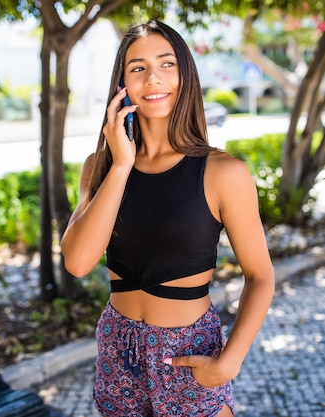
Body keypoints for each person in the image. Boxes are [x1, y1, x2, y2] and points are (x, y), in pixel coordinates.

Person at [60, 20, 274, 417]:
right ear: (121, 84)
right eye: (137, 68)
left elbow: (260, 276)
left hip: (187, 350)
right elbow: (77, 261)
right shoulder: (100, 167)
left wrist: (230, 361)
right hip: (117, 345)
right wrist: (121, 164)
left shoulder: (223, 173)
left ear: (185, 75)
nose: (153, 78)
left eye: (166, 64)